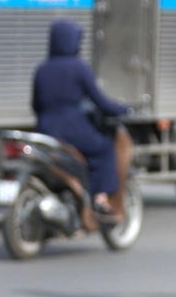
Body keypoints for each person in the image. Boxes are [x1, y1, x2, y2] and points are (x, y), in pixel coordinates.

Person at [31, 18, 132, 225]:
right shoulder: (78, 68)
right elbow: (101, 102)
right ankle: (98, 199)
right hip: (72, 127)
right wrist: (123, 108)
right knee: (103, 149)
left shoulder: (42, 69)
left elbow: (35, 104)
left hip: (44, 128)